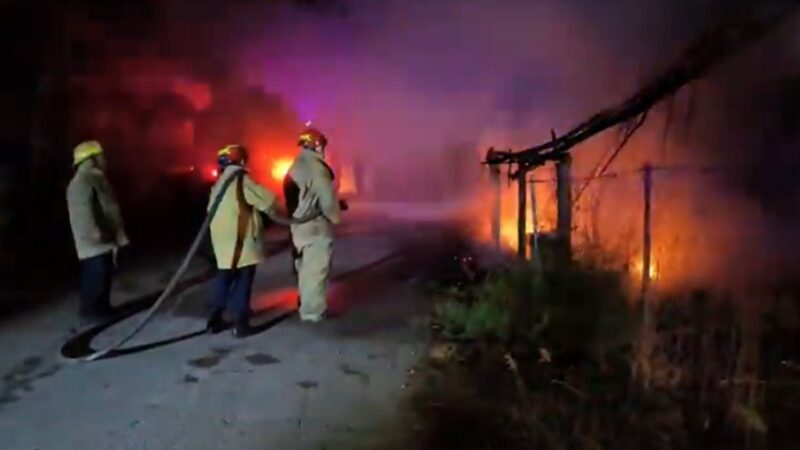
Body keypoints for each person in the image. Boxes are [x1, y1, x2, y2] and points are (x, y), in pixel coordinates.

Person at [206, 144, 278, 338]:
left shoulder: (219, 183)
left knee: (223, 279)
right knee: (243, 282)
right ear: (243, 161)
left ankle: (214, 320)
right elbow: (269, 199)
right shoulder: (241, 180)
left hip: (222, 244)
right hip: (241, 242)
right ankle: (241, 324)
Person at [284, 127, 345, 322]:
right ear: (317, 146)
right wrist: (336, 217)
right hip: (314, 227)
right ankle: (313, 312)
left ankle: (306, 306)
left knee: (305, 270)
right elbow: (327, 201)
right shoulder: (318, 168)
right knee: (317, 271)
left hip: (298, 227)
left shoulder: (295, 165)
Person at [66, 140, 129, 325]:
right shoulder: (81, 181)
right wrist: (95, 234)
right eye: (100, 155)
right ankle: (90, 311)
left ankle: (102, 308)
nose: (104, 159)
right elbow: (83, 211)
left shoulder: (95, 178)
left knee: (104, 274)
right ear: (91, 159)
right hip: (94, 241)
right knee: (96, 275)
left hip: (104, 238)